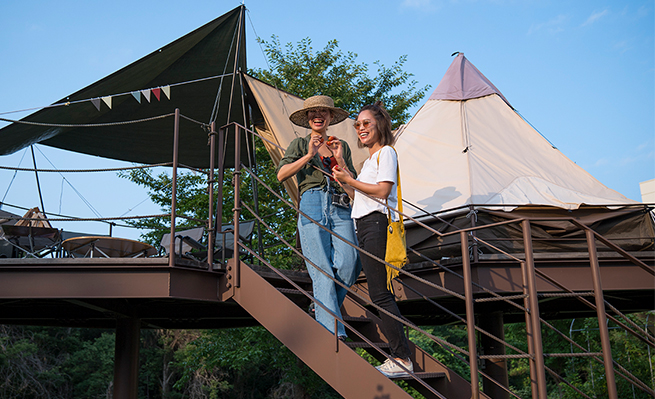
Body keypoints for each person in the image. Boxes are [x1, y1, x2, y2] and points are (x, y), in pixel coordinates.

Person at [332, 101, 413, 378]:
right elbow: (359, 198)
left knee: (380, 294)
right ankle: (400, 356)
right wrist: (342, 166)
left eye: (366, 123)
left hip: (377, 225)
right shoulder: (368, 161)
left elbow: (381, 191)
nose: (361, 128)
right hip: (364, 224)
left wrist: (351, 181)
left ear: (380, 125)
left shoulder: (387, 153)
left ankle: (402, 358)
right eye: (358, 124)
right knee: (379, 294)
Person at [277, 95, 361, 340]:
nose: (318, 116)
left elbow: (352, 189)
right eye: (313, 113)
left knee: (351, 261)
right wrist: (309, 154)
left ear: (330, 117)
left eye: (323, 112)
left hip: (340, 205)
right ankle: (333, 331)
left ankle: (320, 305)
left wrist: (341, 160)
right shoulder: (299, 144)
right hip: (312, 202)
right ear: (307, 119)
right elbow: (282, 174)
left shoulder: (340, 144)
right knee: (321, 268)